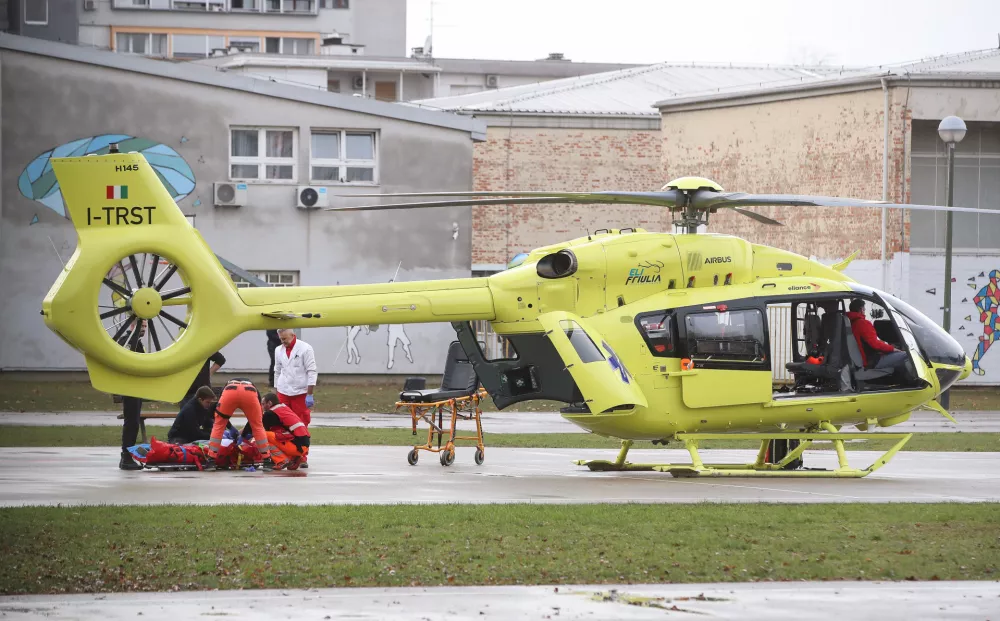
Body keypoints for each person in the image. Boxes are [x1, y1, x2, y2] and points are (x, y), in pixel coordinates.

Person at [207, 378, 272, 465]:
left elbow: (221, 415)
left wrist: (230, 428)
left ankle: (211, 458)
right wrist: (244, 435)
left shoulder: (225, 387)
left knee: (219, 425)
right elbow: (255, 420)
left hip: (230, 391)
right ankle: (267, 459)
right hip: (250, 392)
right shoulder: (254, 388)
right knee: (258, 426)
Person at [245, 393, 311, 470]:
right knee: (271, 437)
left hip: (297, 445)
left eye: (263, 404)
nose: (262, 407)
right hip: (302, 446)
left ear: (269, 403)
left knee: (261, 438)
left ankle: (282, 460)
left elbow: (256, 426)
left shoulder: (271, 413)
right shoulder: (283, 409)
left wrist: (243, 437)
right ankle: (295, 458)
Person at [846, 299, 908, 372]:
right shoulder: (862, 323)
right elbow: (875, 344)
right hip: (872, 361)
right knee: (907, 355)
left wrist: (888, 346)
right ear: (861, 309)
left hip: (863, 359)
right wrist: (892, 349)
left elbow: (869, 342)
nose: (865, 310)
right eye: (864, 308)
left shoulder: (851, 322)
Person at [274, 328, 317, 426]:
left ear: (292, 335)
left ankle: (301, 440)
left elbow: (311, 371)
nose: (283, 342)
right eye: (281, 339)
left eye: (285, 339)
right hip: (283, 391)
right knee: (281, 420)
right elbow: (277, 371)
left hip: (300, 392)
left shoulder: (306, 348)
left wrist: (310, 394)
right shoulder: (278, 350)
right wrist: (276, 391)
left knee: (301, 422)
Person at [118, 320, 146, 471]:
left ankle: (127, 457)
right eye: (141, 325)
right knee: (132, 423)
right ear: (132, 325)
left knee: (133, 422)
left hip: (136, 389)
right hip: (130, 389)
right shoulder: (127, 341)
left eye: (145, 326)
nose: (144, 329)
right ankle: (126, 457)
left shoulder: (137, 342)